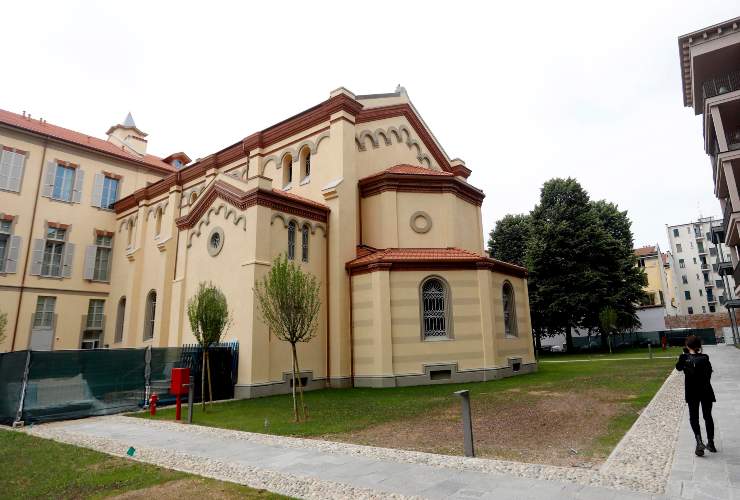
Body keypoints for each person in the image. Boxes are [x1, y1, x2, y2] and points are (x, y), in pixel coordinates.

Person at [675, 335, 717, 456]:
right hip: (706, 390)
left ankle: (699, 442)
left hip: (692, 391)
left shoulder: (683, 357)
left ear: (687, 346)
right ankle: (711, 443)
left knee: (694, 417)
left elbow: (678, 368)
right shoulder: (705, 357)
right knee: (707, 416)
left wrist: (684, 355)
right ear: (699, 346)